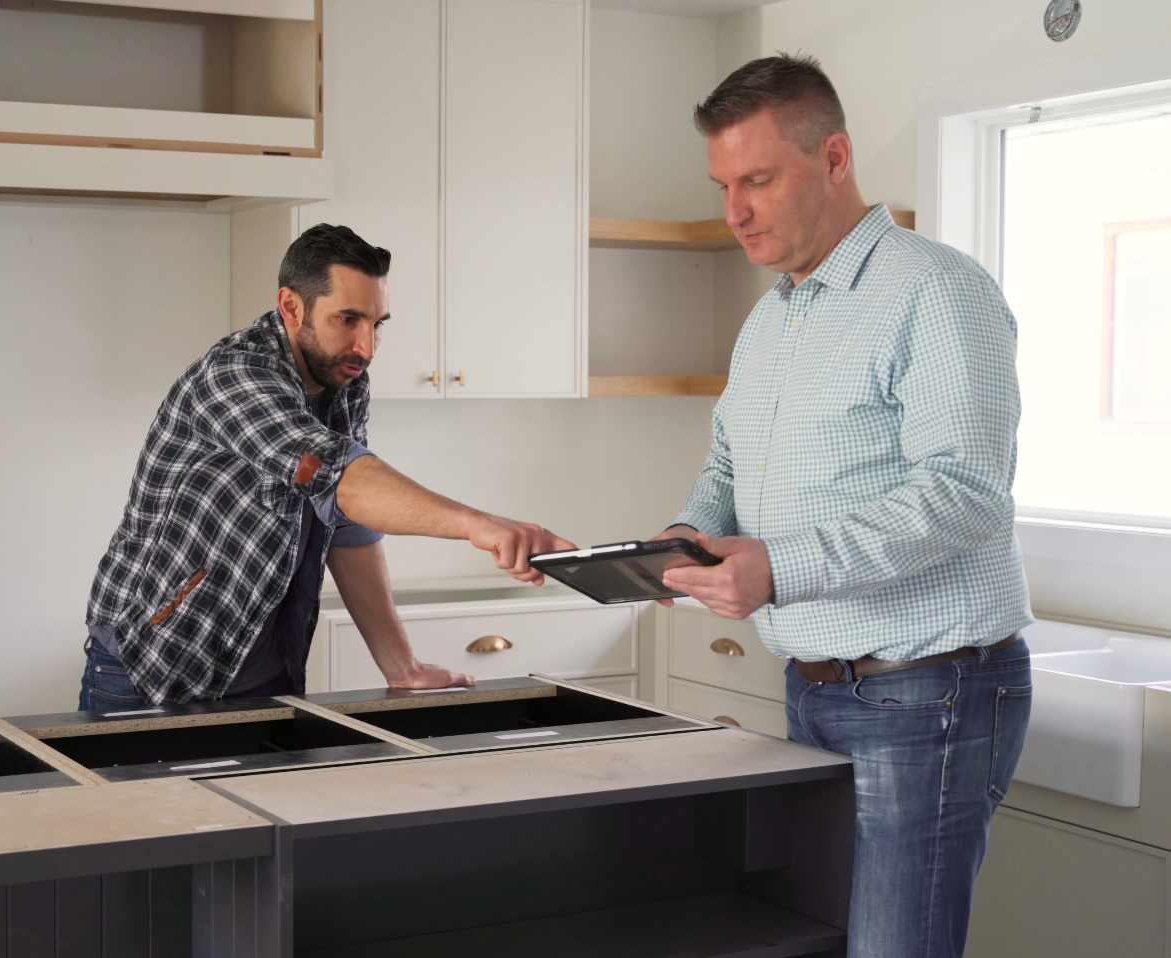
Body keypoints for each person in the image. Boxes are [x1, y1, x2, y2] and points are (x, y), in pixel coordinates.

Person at [654, 55, 1034, 958]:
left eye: (757, 180)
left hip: (925, 688)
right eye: (721, 187)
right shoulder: (774, 315)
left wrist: (779, 567)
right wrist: (684, 532)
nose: (735, 211)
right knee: (824, 940)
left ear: (832, 159)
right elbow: (729, 463)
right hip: (815, 685)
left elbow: (965, 491)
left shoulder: (936, 290)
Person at [83, 224, 573, 709]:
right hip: (150, 665)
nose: (367, 347)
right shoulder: (235, 374)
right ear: (291, 306)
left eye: (377, 324)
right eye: (348, 319)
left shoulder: (344, 380)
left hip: (264, 667)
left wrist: (402, 668)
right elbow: (340, 477)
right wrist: (477, 525)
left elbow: (348, 523)